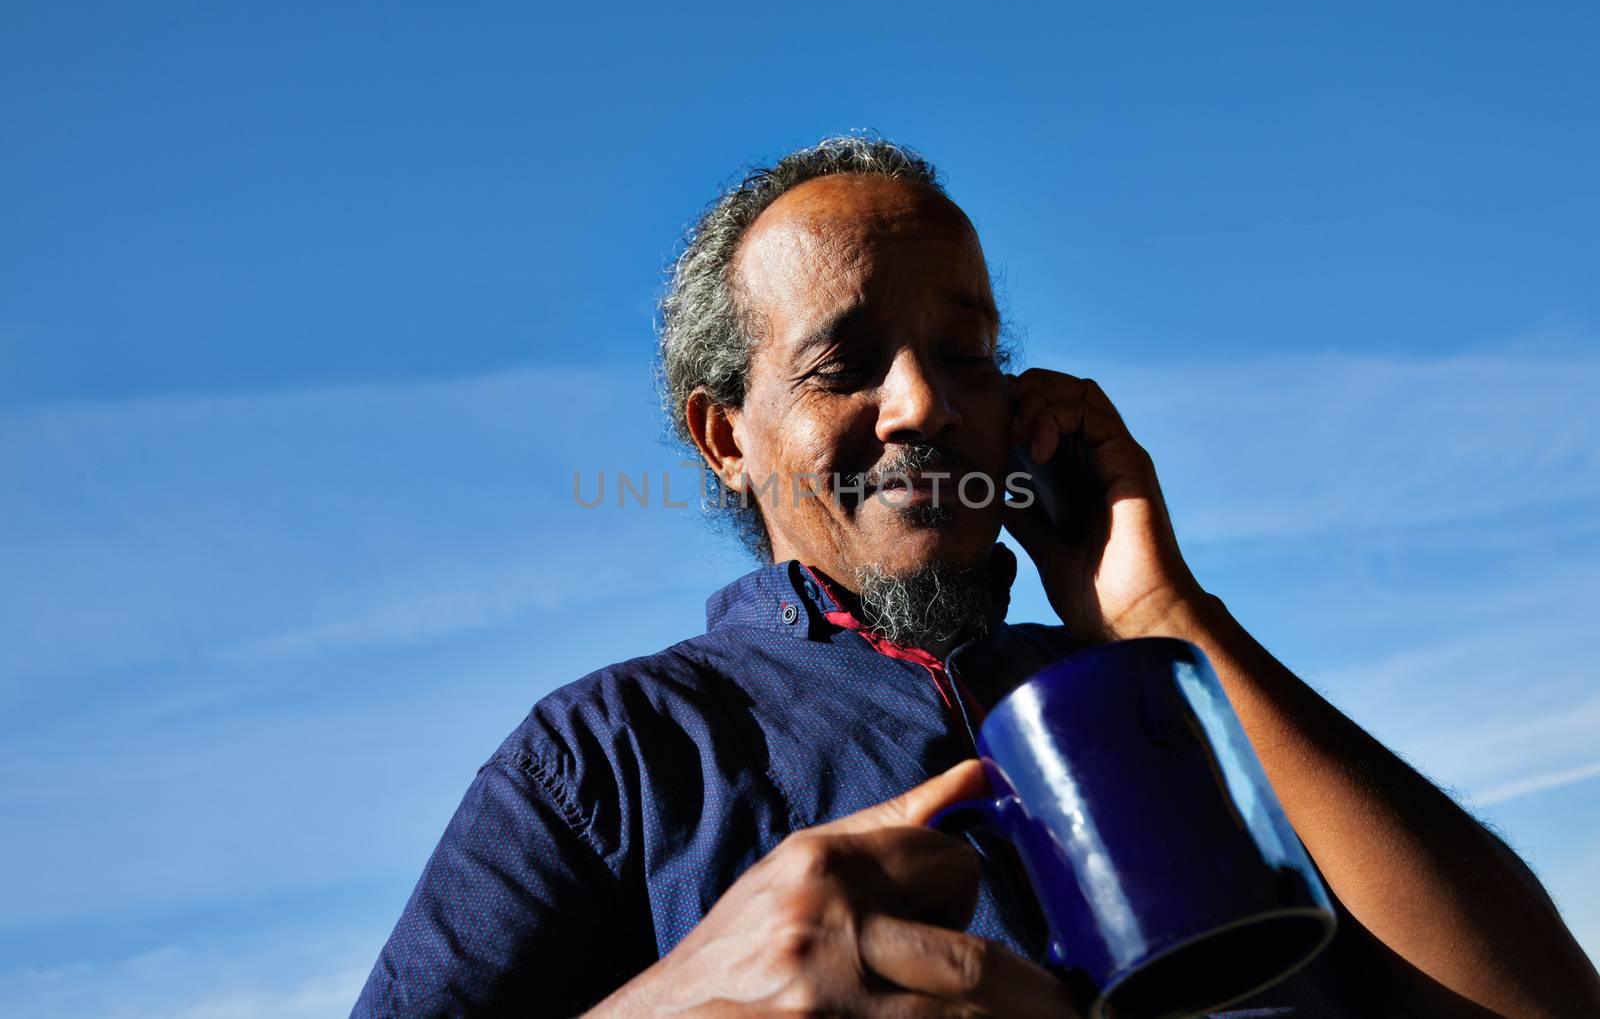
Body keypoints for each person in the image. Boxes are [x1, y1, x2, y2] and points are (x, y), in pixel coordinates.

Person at [350, 136, 1600, 1018]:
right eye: (844, 362)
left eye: (967, 351)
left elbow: (1537, 998)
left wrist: (1161, 615)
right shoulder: (612, 756)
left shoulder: (1166, 695)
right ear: (725, 437)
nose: (925, 403)